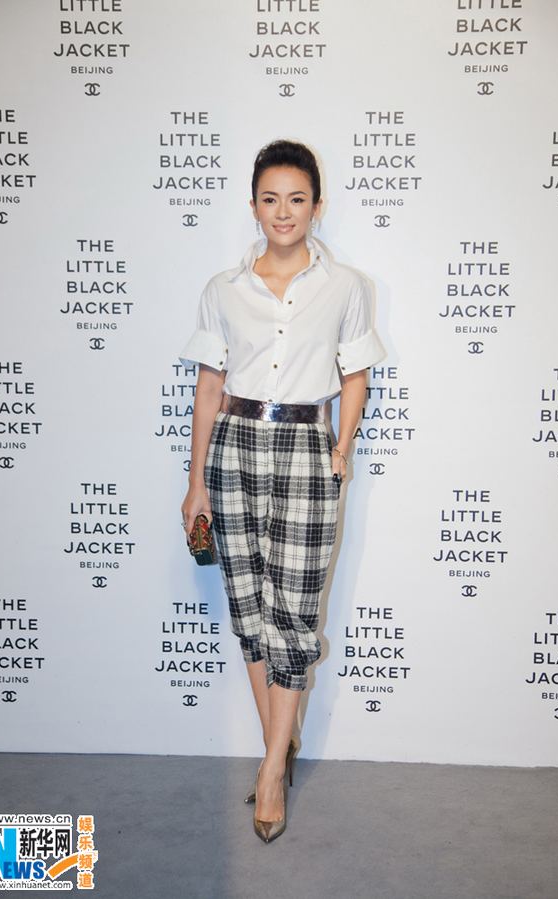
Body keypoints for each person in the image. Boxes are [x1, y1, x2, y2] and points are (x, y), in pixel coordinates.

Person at [178, 139, 385, 843]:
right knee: (249, 607)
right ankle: (281, 746)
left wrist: (342, 447)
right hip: (234, 445)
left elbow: (354, 372)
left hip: (305, 448)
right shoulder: (222, 288)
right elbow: (208, 387)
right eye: (270, 198)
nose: (283, 211)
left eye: (297, 198)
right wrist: (194, 480)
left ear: (317, 206)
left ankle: (270, 770)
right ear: (254, 205)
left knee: (295, 612)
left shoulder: (347, 286)